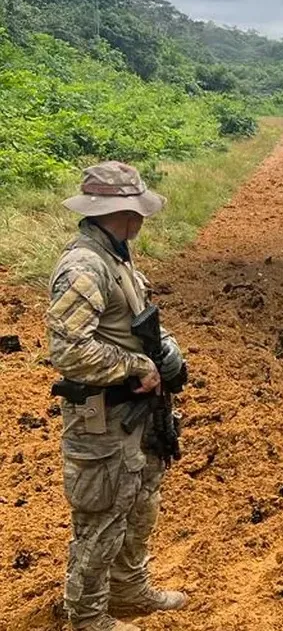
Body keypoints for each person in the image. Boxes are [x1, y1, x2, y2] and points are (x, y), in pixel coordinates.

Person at [45, 162, 189, 631]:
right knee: (102, 515)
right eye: (138, 212)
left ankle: (128, 588)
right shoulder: (85, 265)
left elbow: (133, 321)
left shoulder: (117, 256)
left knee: (139, 501)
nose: (143, 221)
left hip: (135, 411)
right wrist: (136, 366)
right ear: (125, 213)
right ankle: (87, 616)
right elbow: (68, 349)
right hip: (101, 415)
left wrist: (164, 348)